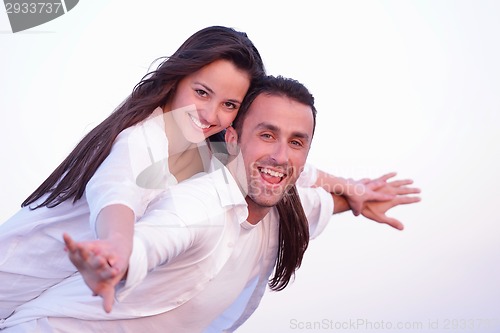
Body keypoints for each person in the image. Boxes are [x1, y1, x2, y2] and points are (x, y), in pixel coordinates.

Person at [0, 75, 421, 332]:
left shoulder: (287, 212)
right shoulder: (197, 203)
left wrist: (358, 196)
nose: (280, 155)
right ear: (233, 138)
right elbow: (155, 236)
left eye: (297, 142)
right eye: (267, 134)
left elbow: (316, 194)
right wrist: (117, 259)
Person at [0, 25, 266, 319]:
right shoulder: (140, 139)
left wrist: (321, 180)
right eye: (202, 92)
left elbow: (265, 160)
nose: (210, 114)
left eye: (229, 105)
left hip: (25, 304)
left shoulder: (204, 148)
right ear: (177, 79)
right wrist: (117, 245)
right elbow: (118, 191)